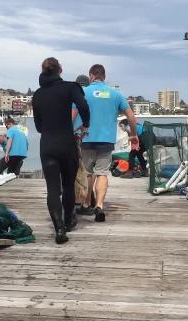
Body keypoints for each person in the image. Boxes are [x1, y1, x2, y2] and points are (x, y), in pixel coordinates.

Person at [32, 57, 90, 244]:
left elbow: (39, 126)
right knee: (67, 184)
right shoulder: (70, 88)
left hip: (47, 145)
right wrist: (86, 124)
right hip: (66, 143)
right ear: (60, 70)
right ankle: (69, 219)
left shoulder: (38, 95)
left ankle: (59, 229)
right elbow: (83, 105)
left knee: (52, 188)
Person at [75, 64, 138, 222]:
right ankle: (100, 206)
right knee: (102, 173)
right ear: (104, 76)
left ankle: (87, 204)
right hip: (107, 140)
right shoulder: (116, 94)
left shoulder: (83, 92)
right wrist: (134, 135)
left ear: (91, 76)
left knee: (88, 173)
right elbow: (131, 117)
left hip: (87, 138)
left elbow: (73, 114)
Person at [72, 75, 90, 208]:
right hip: (91, 136)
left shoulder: (76, 95)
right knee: (90, 171)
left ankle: (78, 200)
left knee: (77, 170)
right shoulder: (91, 95)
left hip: (77, 137)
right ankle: (89, 200)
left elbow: (72, 116)